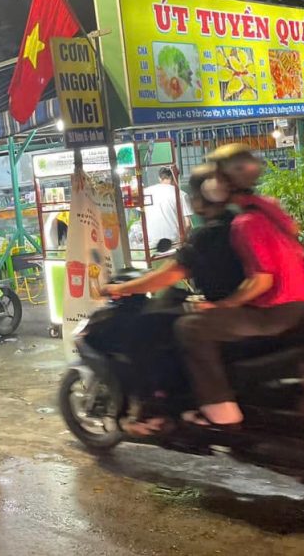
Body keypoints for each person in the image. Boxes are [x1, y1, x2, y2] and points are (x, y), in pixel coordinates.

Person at [175, 144, 304, 428]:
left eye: (216, 178)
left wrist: (221, 306)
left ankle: (220, 409)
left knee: (191, 327)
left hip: (276, 311)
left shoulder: (246, 222)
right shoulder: (269, 208)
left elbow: (262, 280)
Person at [104, 165, 246, 433]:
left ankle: (152, 410)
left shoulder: (209, 234)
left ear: (201, 199)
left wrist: (121, 288)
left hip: (224, 311)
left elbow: (167, 276)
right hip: (242, 307)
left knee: (144, 326)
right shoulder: (237, 222)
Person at [141, 167, 192, 249]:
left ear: (159, 178)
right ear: (175, 177)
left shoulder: (145, 192)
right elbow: (188, 224)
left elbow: (142, 218)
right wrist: (182, 241)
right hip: (174, 242)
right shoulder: (181, 194)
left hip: (151, 242)